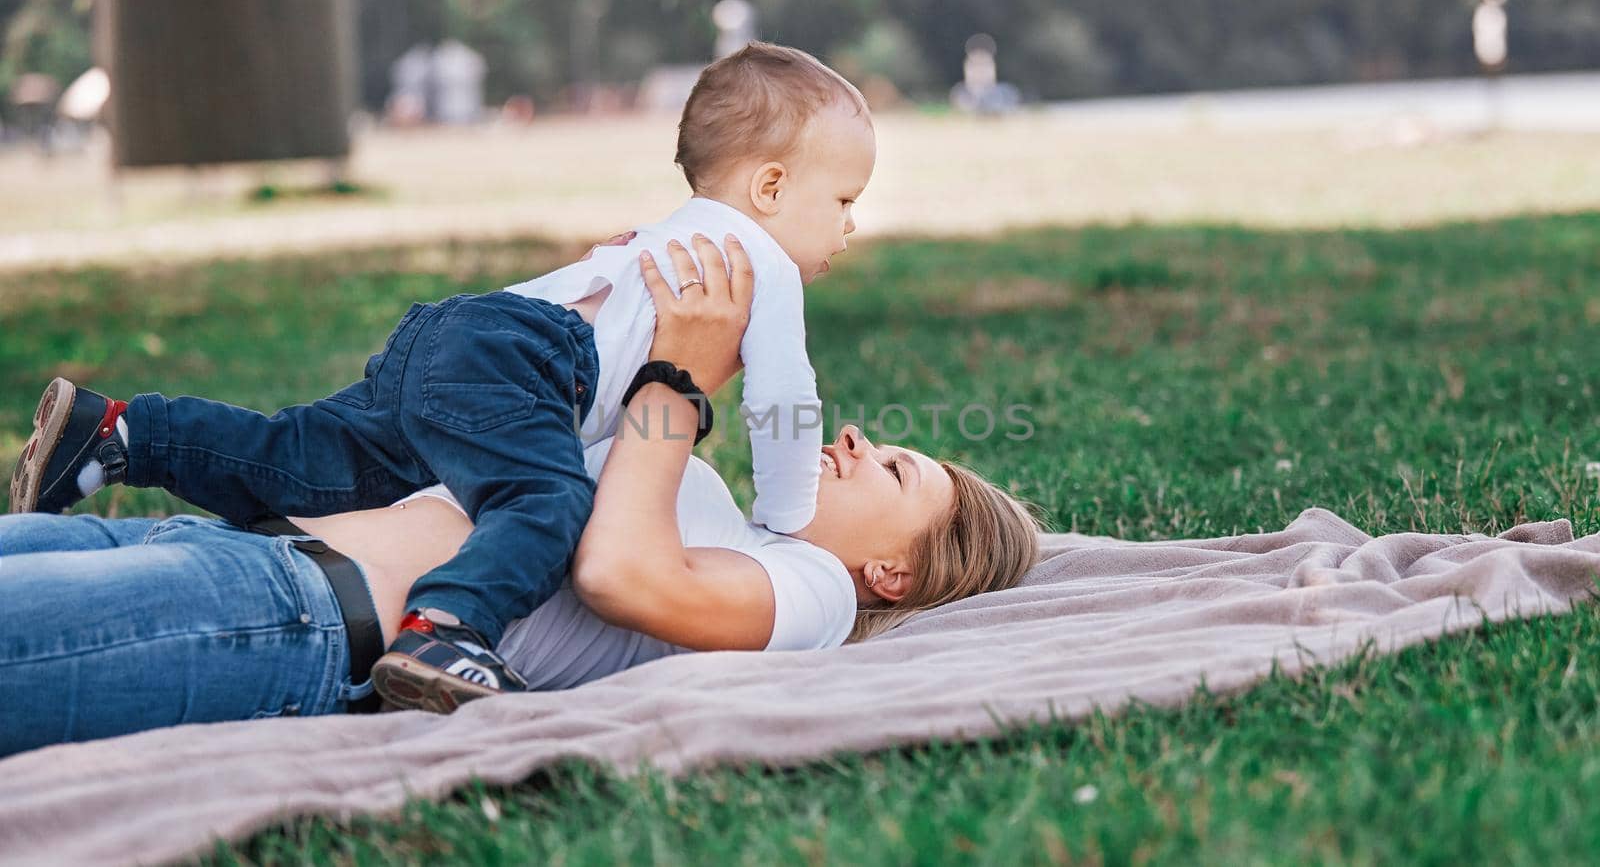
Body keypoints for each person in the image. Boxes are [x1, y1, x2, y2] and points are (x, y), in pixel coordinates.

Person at [7, 42, 876, 711]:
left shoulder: (667, 235)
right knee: (541, 504)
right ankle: (446, 629)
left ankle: (122, 433)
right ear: (770, 186)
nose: (848, 228)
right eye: (843, 201)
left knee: (308, 455)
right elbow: (784, 402)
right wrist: (787, 508)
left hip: (462, 334)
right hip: (524, 367)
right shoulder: (760, 266)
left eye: (896, 466)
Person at [0, 238, 1042, 757]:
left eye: (897, 471)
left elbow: (619, 571)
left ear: (893, 572)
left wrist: (673, 381)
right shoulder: (717, 506)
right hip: (231, 557)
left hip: (285, 623)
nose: (858, 442)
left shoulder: (809, 594)